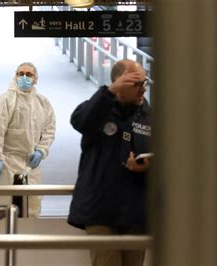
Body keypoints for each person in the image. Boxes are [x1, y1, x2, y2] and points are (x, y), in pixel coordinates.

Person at [68, 59, 152, 266]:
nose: (143, 89)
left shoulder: (149, 117)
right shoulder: (98, 110)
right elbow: (80, 121)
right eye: (136, 84)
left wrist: (148, 166)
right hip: (101, 210)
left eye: (145, 83)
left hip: (135, 211)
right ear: (118, 83)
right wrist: (109, 91)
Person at [0, 62, 56, 217]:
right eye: (20, 73)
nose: (24, 77)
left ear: (35, 79)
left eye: (29, 74)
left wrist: (41, 151)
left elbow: (49, 129)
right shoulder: (5, 100)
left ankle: (29, 239)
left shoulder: (42, 103)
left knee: (32, 206)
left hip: (31, 164)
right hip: (8, 162)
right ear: (15, 76)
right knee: (4, 209)